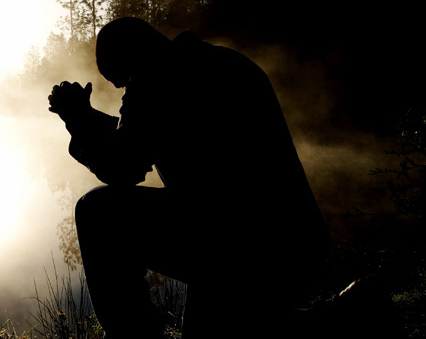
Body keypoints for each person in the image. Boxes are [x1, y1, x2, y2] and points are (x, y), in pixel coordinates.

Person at [48, 17, 329, 338]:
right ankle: (333, 313)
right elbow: (147, 131)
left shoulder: (156, 78)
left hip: (238, 243)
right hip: (291, 240)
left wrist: (78, 123)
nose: (127, 91)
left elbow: (123, 167)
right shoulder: (217, 62)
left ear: (133, 57)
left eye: (125, 82)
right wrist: (88, 117)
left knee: (96, 212)